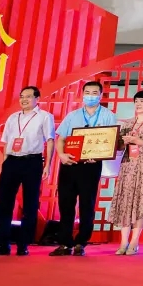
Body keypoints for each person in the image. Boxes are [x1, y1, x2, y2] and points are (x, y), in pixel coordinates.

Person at [0, 86, 55, 256]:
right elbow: (6, 142)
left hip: (32, 162)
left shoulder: (45, 117)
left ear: (37, 98)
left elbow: (50, 140)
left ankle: (23, 244)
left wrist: (48, 165)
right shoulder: (12, 117)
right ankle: (1, 244)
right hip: (11, 161)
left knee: (30, 204)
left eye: (28, 96)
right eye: (22, 96)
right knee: (4, 203)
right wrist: (5, 162)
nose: (24, 99)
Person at [51, 81, 118, 256]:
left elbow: (112, 141)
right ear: (82, 94)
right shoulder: (72, 116)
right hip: (70, 163)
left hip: (91, 165)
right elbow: (61, 139)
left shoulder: (108, 116)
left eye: (94, 93)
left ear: (101, 95)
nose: (90, 96)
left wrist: (99, 155)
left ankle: (81, 242)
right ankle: (65, 243)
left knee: (87, 204)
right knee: (66, 203)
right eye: (87, 92)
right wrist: (61, 155)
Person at [111, 89, 143, 255]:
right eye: (136, 101)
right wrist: (119, 141)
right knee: (126, 201)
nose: (138, 104)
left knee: (141, 201)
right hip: (128, 165)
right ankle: (123, 242)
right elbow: (119, 148)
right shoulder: (128, 123)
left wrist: (138, 141)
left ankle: (134, 242)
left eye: (142, 101)